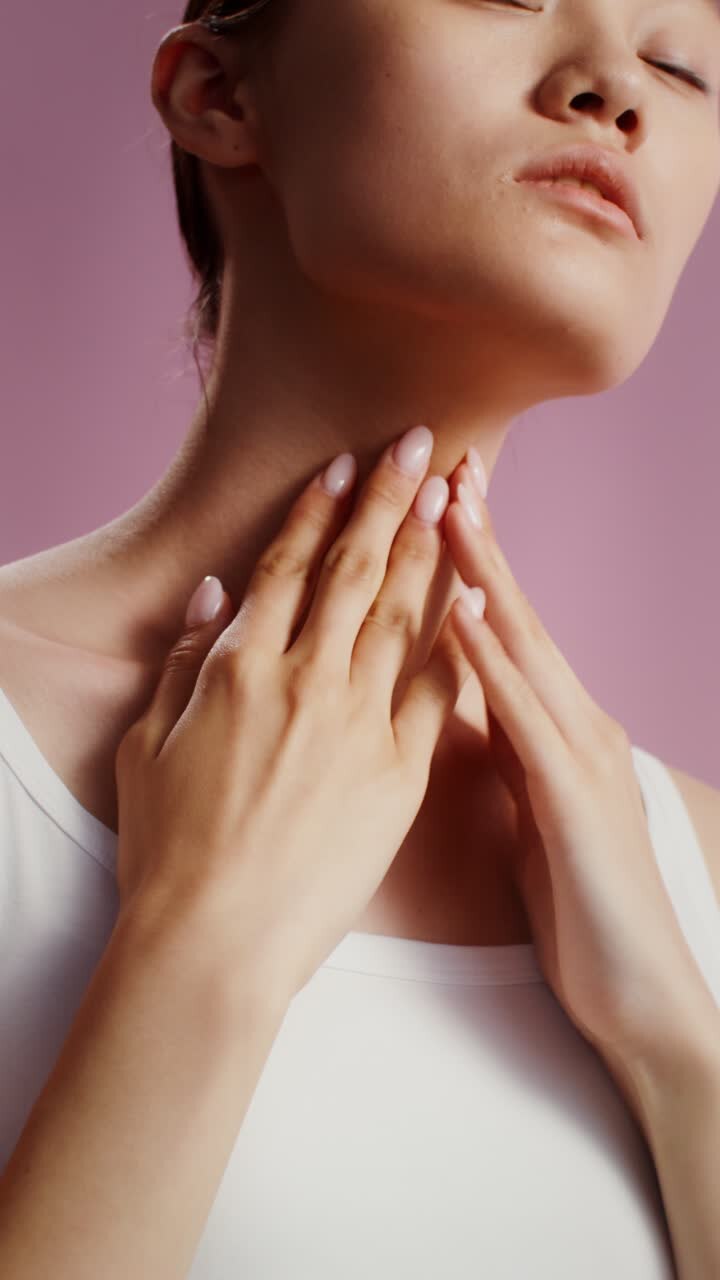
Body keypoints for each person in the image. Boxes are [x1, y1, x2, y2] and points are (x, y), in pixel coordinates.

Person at [1, 1, 719, 1276]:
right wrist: (199, 945)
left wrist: (679, 1044)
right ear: (219, 93)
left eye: (685, 65)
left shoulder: (694, 873)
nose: (620, 90)